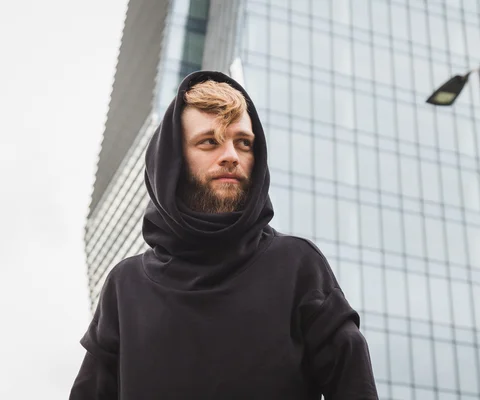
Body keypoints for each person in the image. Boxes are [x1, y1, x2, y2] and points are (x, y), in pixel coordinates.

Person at [69, 71, 379, 400]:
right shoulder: (126, 285)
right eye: (209, 142)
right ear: (173, 161)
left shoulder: (298, 266)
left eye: (243, 143)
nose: (231, 155)